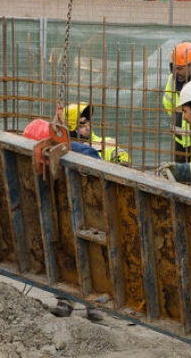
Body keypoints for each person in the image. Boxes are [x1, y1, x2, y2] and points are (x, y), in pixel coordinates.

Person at [22, 118, 105, 322]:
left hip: (86, 211)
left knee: (92, 256)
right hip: (61, 209)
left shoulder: (82, 154)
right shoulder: (39, 158)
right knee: (64, 253)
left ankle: (94, 304)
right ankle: (65, 300)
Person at [62, 102, 131, 165]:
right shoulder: (62, 147)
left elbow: (120, 154)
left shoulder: (104, 142)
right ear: (71, 129)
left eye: (88, 122)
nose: (88, 128)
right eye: (81, 125)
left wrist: (122, 163)